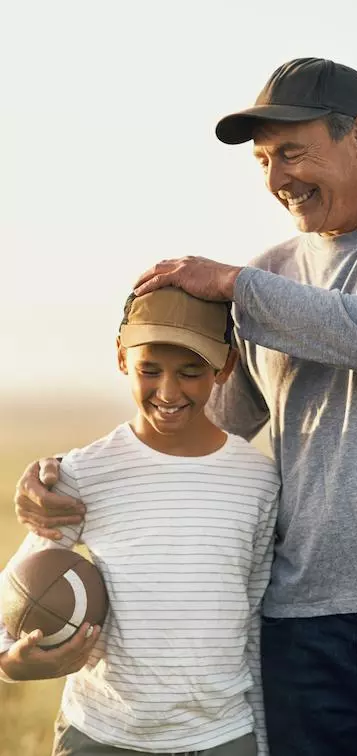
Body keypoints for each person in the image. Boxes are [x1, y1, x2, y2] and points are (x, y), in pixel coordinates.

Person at [15, 56, 357, 755]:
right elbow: (203, 428)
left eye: (295, 153)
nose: (279, 180)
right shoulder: (271, 276)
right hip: (306, 626)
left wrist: (234, 284)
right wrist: (66, 480)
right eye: (265, 161)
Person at [2, 287, 279, 756]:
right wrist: (11, 661)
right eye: (150, 370)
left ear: (226, 366)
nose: (169, 392)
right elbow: (16, 590)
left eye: (191, 373)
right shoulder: (82, 474)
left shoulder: (257, 480)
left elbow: (251, 620)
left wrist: (261, 742)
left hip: (222, 736)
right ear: (121, 358)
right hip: (102, 735)